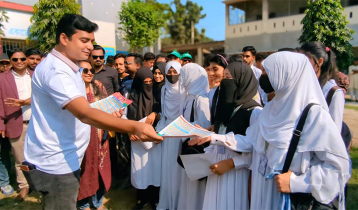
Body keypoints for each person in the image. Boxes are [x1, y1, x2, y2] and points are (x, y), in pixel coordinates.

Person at [23, 14, 162, 210]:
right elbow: (84, 114)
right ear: (64, 39)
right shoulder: (56, 71)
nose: (90, 46)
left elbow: (83, 109)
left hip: (65, 157)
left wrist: (105, 110)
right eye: (84, 40)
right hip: (56, 162)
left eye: (92, 41)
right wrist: (134, 126)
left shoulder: (70, 68)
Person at [210, 52, 350, 210]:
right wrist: (213, 137)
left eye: (266, 72)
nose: (262, 77)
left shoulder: (315, 117)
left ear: (286, 76)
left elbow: (339, 169)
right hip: (261, 193)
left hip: (287, 199)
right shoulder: (270, 109)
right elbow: (250, 141)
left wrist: (297, 183)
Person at [189, 61, 261, 210]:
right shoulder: (227, 107)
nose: (226, 82)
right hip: (217, 167)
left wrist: (228, 161)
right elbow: (221, 133)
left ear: (242, 81)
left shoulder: (254, 111)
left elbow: (252, 145)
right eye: (225, 77)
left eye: (230, 78)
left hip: (236, 172)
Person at [77, 60, 115, 210]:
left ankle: (97, 201)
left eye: (91, 70)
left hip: (100, 135)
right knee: (85, 170)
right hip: (82, 137)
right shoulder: (73, 90)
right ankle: (84, 202)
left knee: (101, 168)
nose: (89, 73)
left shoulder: (98, 86)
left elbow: (107, 106)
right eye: (84, 70)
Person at [177, 63, 211, 210]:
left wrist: (185, 129)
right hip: (187, 145)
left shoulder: (201, 99)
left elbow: (204, 127)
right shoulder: (189, 96)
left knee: (197, 187)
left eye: (183, 74)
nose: (181, 78)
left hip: (196, 149)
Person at [127, 67, 161, 210]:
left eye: (150, 81)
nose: (148, 84)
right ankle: (141, 198)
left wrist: (154, 113)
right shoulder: (129, 94)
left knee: (154, 169)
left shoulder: (157, 93)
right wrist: (129, 131)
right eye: (144, 82)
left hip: (154, 139)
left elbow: (164, 110)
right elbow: (122, 114)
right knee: (139, 168)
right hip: (136, 139)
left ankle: (155, 198)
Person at [0, 48, 31, 201]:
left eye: (22, 59)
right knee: (20, 159)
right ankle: (23, 186)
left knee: (41, 155)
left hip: (38, 124)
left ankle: (40, 183)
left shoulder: (36, 75)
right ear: (10, 62)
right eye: (15, 59)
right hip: (15, 122)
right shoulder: (2, 78)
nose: (19, 62)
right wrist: (1, 124)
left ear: (27, 60)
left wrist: (27, 102)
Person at [156, 61, 183, 210]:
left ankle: (178, 202)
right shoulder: (164, 89)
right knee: (167, 168)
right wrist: (160, 131)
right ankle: (167, 202)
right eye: (169, 72)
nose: (172, 75)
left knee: (177, 168)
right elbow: (164, 110)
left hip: (179, 130)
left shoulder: (184, 89)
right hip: (167, 131)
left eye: (175, 72)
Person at [300, 41, 345, 131]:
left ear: (320, 62)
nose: (301, 64)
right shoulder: (305, 85)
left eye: (305, 60)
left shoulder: (333, 92)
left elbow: (335, 131)